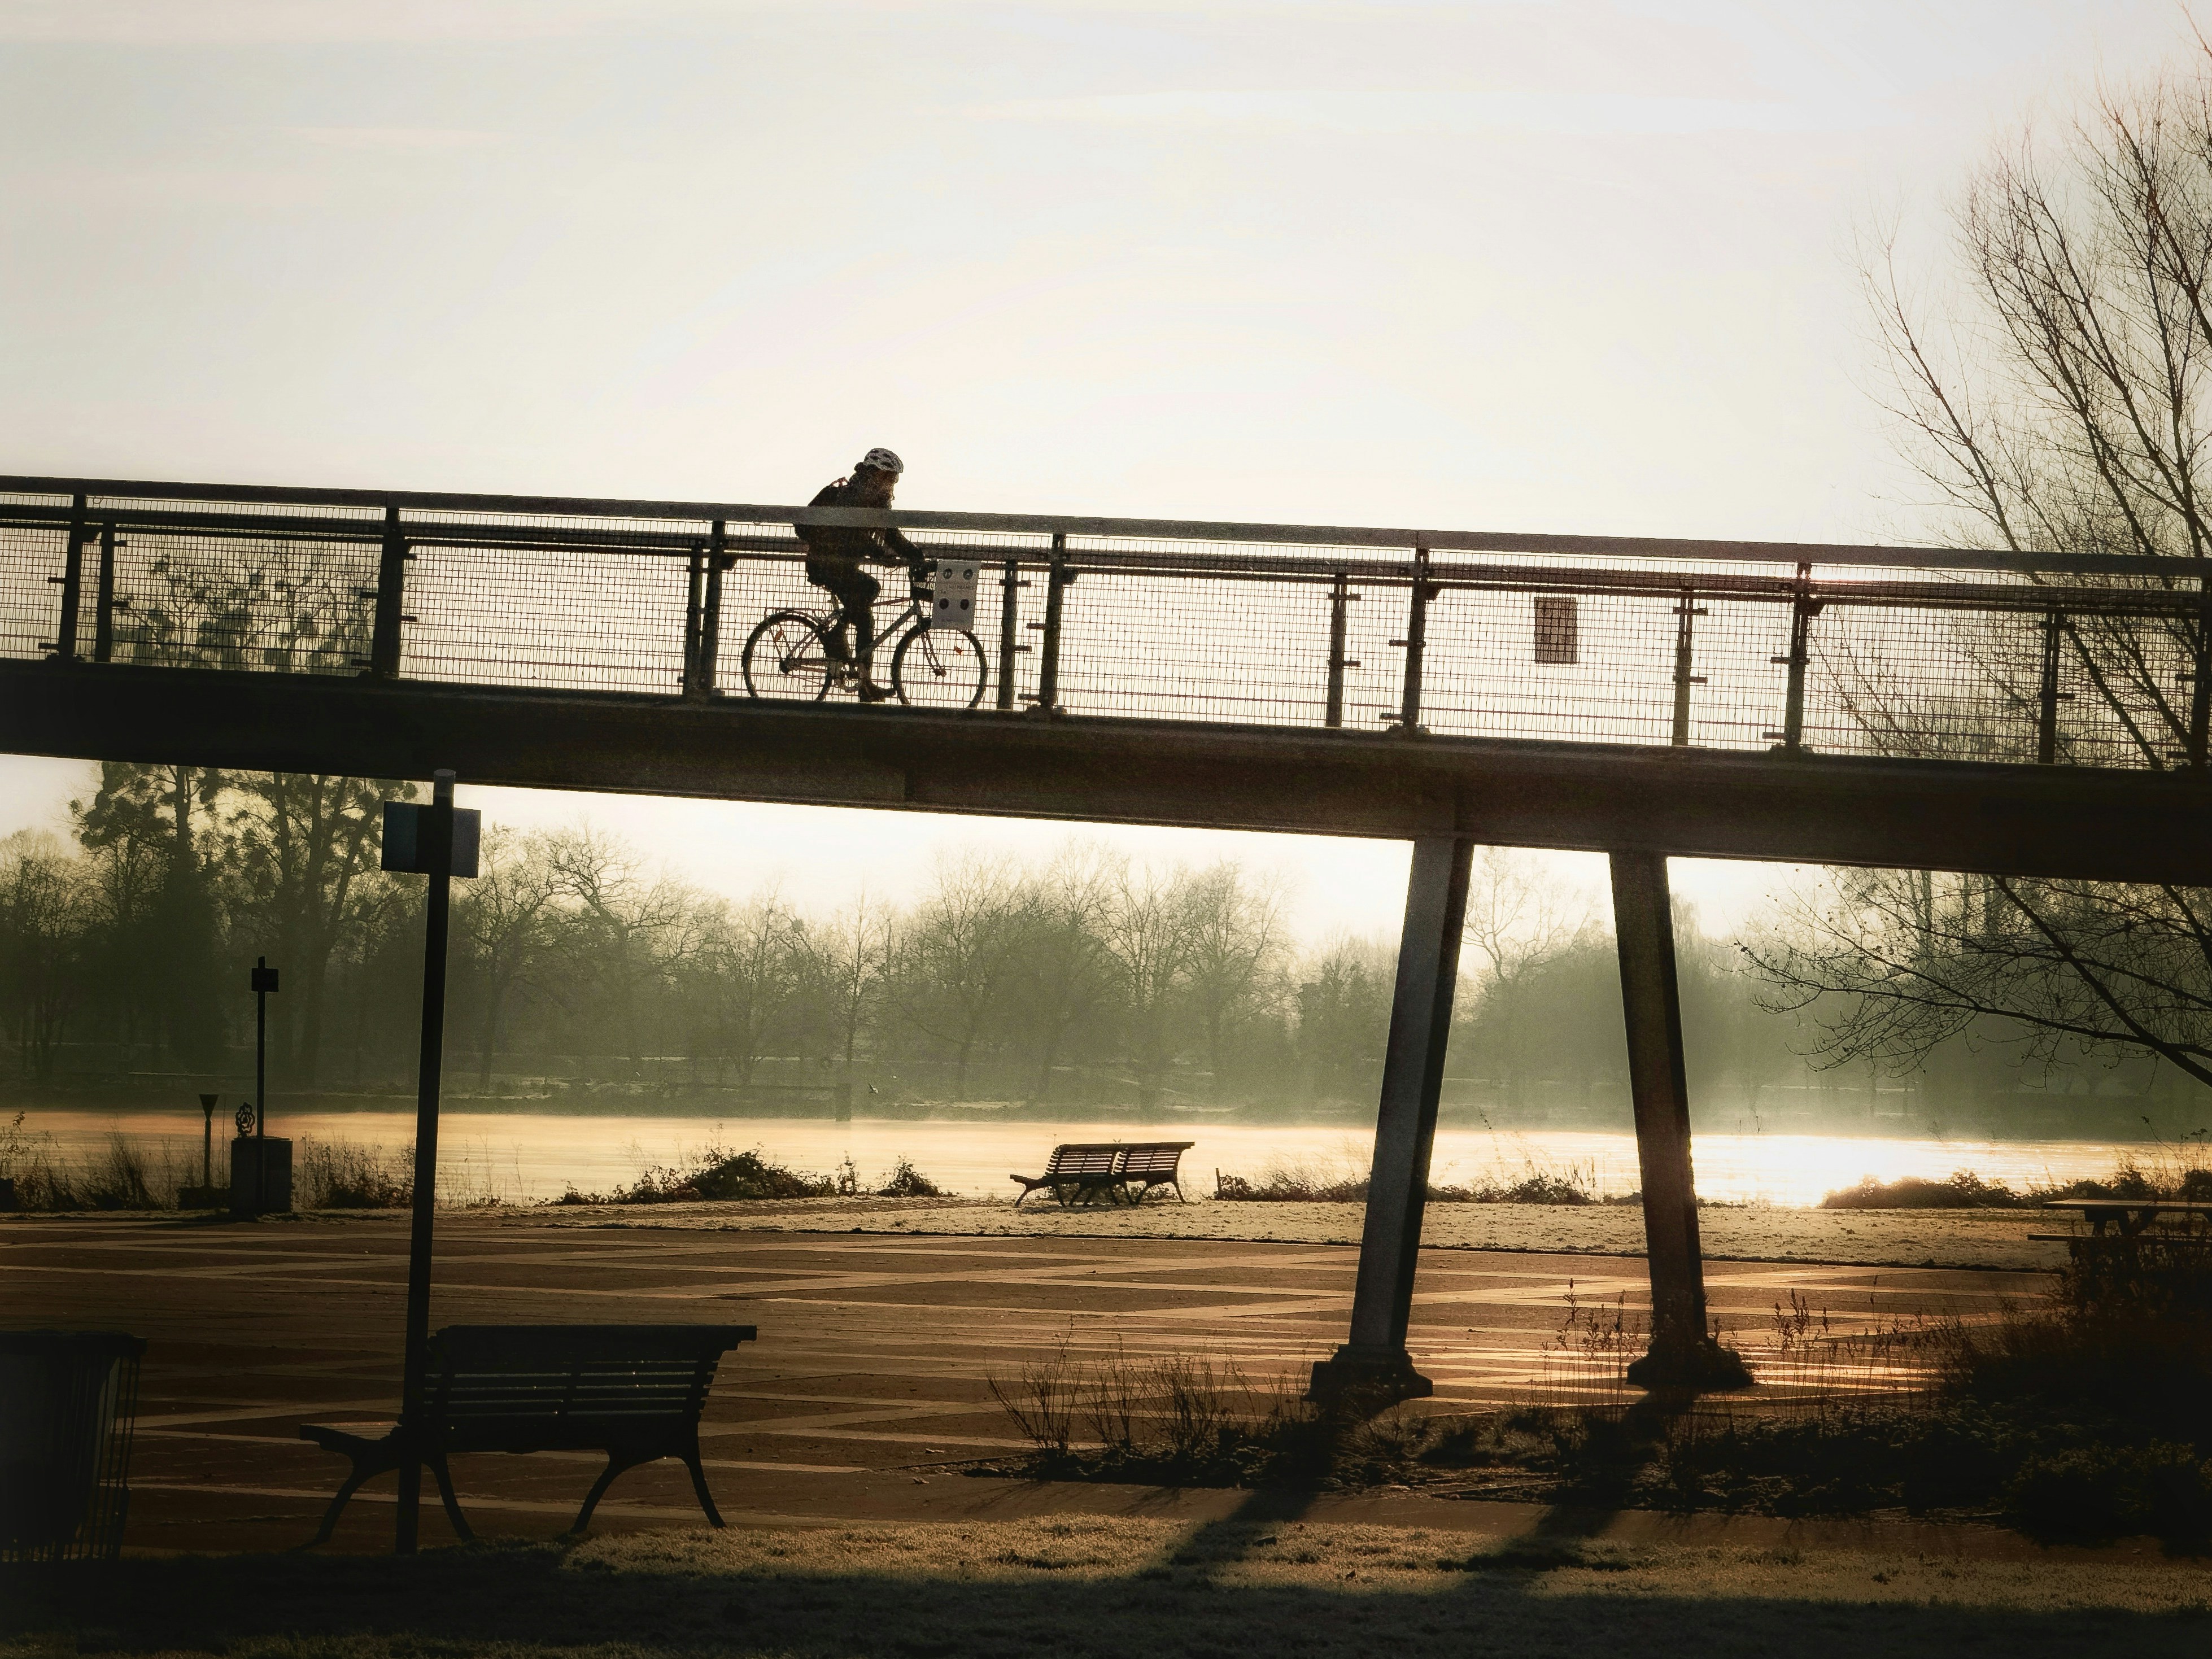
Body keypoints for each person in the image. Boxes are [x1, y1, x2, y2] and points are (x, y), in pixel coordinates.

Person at [795, 447, 921, 702]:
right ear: (874, 474)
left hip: (842, 566)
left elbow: (888, 535)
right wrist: (880, 553)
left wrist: (914, 555)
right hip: (826, 564)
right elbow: (850, 536)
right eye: (888, 477)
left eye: (893, 479)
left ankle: (861, 676)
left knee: (865, 608)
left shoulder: (873, 501)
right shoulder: (846, 496)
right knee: (869, 595)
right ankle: (851, 658)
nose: (890, 484)